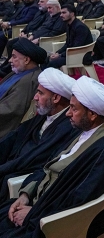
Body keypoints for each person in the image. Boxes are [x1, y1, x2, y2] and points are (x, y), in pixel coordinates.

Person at [0, 76, 104, 238]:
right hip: (37, 205)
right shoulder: (83, 132)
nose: (67, 113)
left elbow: (78, 199)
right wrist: (25, 195)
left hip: (50, 221)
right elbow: (47, 167)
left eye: (74, 108)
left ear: (92, 114)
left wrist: (33, 214)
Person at [0, 68, 78, 200]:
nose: (35, 97)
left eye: (40, 93)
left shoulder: (67, 126)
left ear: (56, 98)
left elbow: (38, 158)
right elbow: (16, 135)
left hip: (24, 174)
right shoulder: (46, 112)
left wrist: (3, 168)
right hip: (15, 162)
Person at [0, 39, 47, 139]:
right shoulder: (19, 72)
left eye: (14, 57)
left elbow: (10, 109)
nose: (10, 60)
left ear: (26, 60)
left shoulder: (28, 81)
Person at [45, 5, 93, 69]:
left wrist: (60, 55)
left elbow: (76, 47)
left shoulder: (80, 27)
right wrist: (57, 53)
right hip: (72, 54)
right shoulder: (68, 25)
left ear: (72, 14)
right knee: (45, 59)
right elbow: (68, 44)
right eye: (61, 13)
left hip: (81, 55)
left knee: (52, 63)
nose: (61, 15)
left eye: (64, 13)